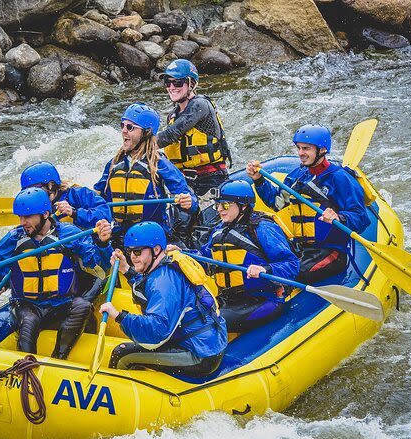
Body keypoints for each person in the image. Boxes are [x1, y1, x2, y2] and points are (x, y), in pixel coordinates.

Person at [0, 187, 114, 360]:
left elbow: (99, 265)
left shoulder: (68, 234)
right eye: (20, 217)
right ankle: (26, 365)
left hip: (61, 304)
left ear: (45, 214)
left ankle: (58, 359)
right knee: (29, 321)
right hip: (27, 306)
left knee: (82, 306)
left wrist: (103, 244)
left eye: (28, 216)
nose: (23, 222)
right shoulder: (13, 240)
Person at [99, 221, 228, 377]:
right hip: (203, 342)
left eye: (138, 252)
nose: (133, 257)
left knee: (122, 355)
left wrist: (119, 316)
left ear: (156, 250)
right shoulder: (165, 266)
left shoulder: (164, 281)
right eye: (130, 251)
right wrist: (126, 270)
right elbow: (147, 289)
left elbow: (156, 332)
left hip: (200, 354)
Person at [246, 124, 370, 284]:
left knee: (282, 275)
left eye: (306, 149)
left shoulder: (339, 178)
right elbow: (276, 202)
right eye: (298, 148)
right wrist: (258, 180)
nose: (300, 153)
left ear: (322, 150)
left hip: (330, 252)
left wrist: (339, 217)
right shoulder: (298, 175)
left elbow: (361, 218)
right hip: (301, 249)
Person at [194, 180, 299, 335]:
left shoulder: (263, 228)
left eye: (226, 205)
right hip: (231, 300)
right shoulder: (219, 230)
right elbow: (204, 258)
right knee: (193, 317)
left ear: (243, 206)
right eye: (218, 205)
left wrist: (265, 269)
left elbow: (292, 265)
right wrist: (182, 254)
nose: (220, 210)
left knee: (212, 321)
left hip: (264, 299)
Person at [93, 102, 197, 248]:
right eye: (122, 125)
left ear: (146, 133)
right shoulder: (113, 164)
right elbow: (95, 199)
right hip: (118, 236)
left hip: (151, 238)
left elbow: (189, 198)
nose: (123, 130)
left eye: (130, 127)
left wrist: (189, 201)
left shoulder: (159, 164)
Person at [156, 59, 232, 199]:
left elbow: (170, 135)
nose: (171, 87)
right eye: (168, 82)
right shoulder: (173, 116)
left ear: (191, 83)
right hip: (185, 182)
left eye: (178, 82)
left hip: (211, 180)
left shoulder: (200, 105)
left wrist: (141, 145)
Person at [20, 160, 112, 230]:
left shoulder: (79, 194)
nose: (31, 194)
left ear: (50, 185)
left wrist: (74, 213)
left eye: (36, 189)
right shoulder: (30, 207)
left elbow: (105, 216)